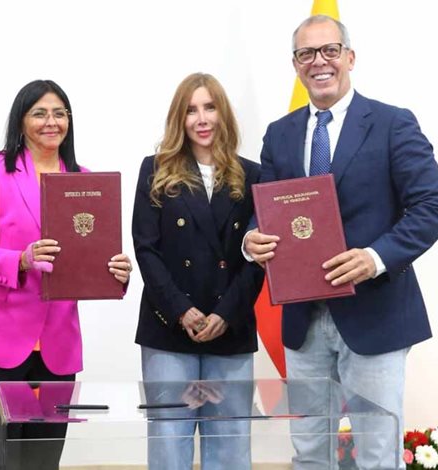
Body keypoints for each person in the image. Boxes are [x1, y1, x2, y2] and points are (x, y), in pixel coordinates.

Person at [244, 15, 438, 469]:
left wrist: (375, 258)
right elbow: (266, 210)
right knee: (310, 453)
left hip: (375, 314)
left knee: (377, 455)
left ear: (350, 58)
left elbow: (433, 207)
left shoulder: (393, 123)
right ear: (295, 65)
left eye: (329, 51)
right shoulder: (279, 133)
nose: (319, 62)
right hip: (302, 319)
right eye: (306, 54)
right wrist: (250, 240)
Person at [0, 79, 133, 470]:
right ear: (21, 121)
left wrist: (116, 273)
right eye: (40, 113)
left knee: (43, 461)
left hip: (56, 348)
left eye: (59, 113)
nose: (51, 121)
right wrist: (20, 259)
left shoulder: (84, 180)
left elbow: (88, 261)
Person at [132, 72, 263, 470]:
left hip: (231, 326)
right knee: (170, 444)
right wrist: (181, 310)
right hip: (170, 327)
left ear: (223, 114)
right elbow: (146, 250)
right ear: (179, 118)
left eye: (209, 107)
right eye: (191, 110)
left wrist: (226, 313)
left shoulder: (252, 174)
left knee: (230, 445)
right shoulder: (155, 169)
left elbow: (259, 257)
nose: (201, 118)